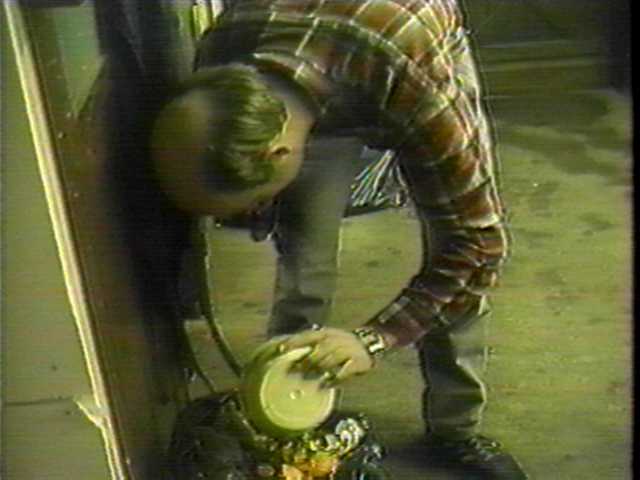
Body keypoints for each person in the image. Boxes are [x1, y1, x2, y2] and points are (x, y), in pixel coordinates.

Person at [151, 1, 527, 478]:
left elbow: (477, 246)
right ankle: (286, 406)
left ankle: (456, 430)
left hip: (400, 39)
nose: (255, 220)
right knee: (304, 253)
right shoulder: (225, 55)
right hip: (318, 65)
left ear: (279, 152)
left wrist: (375, 339)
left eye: (255, 204)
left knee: (454, 250)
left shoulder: (411, 77)